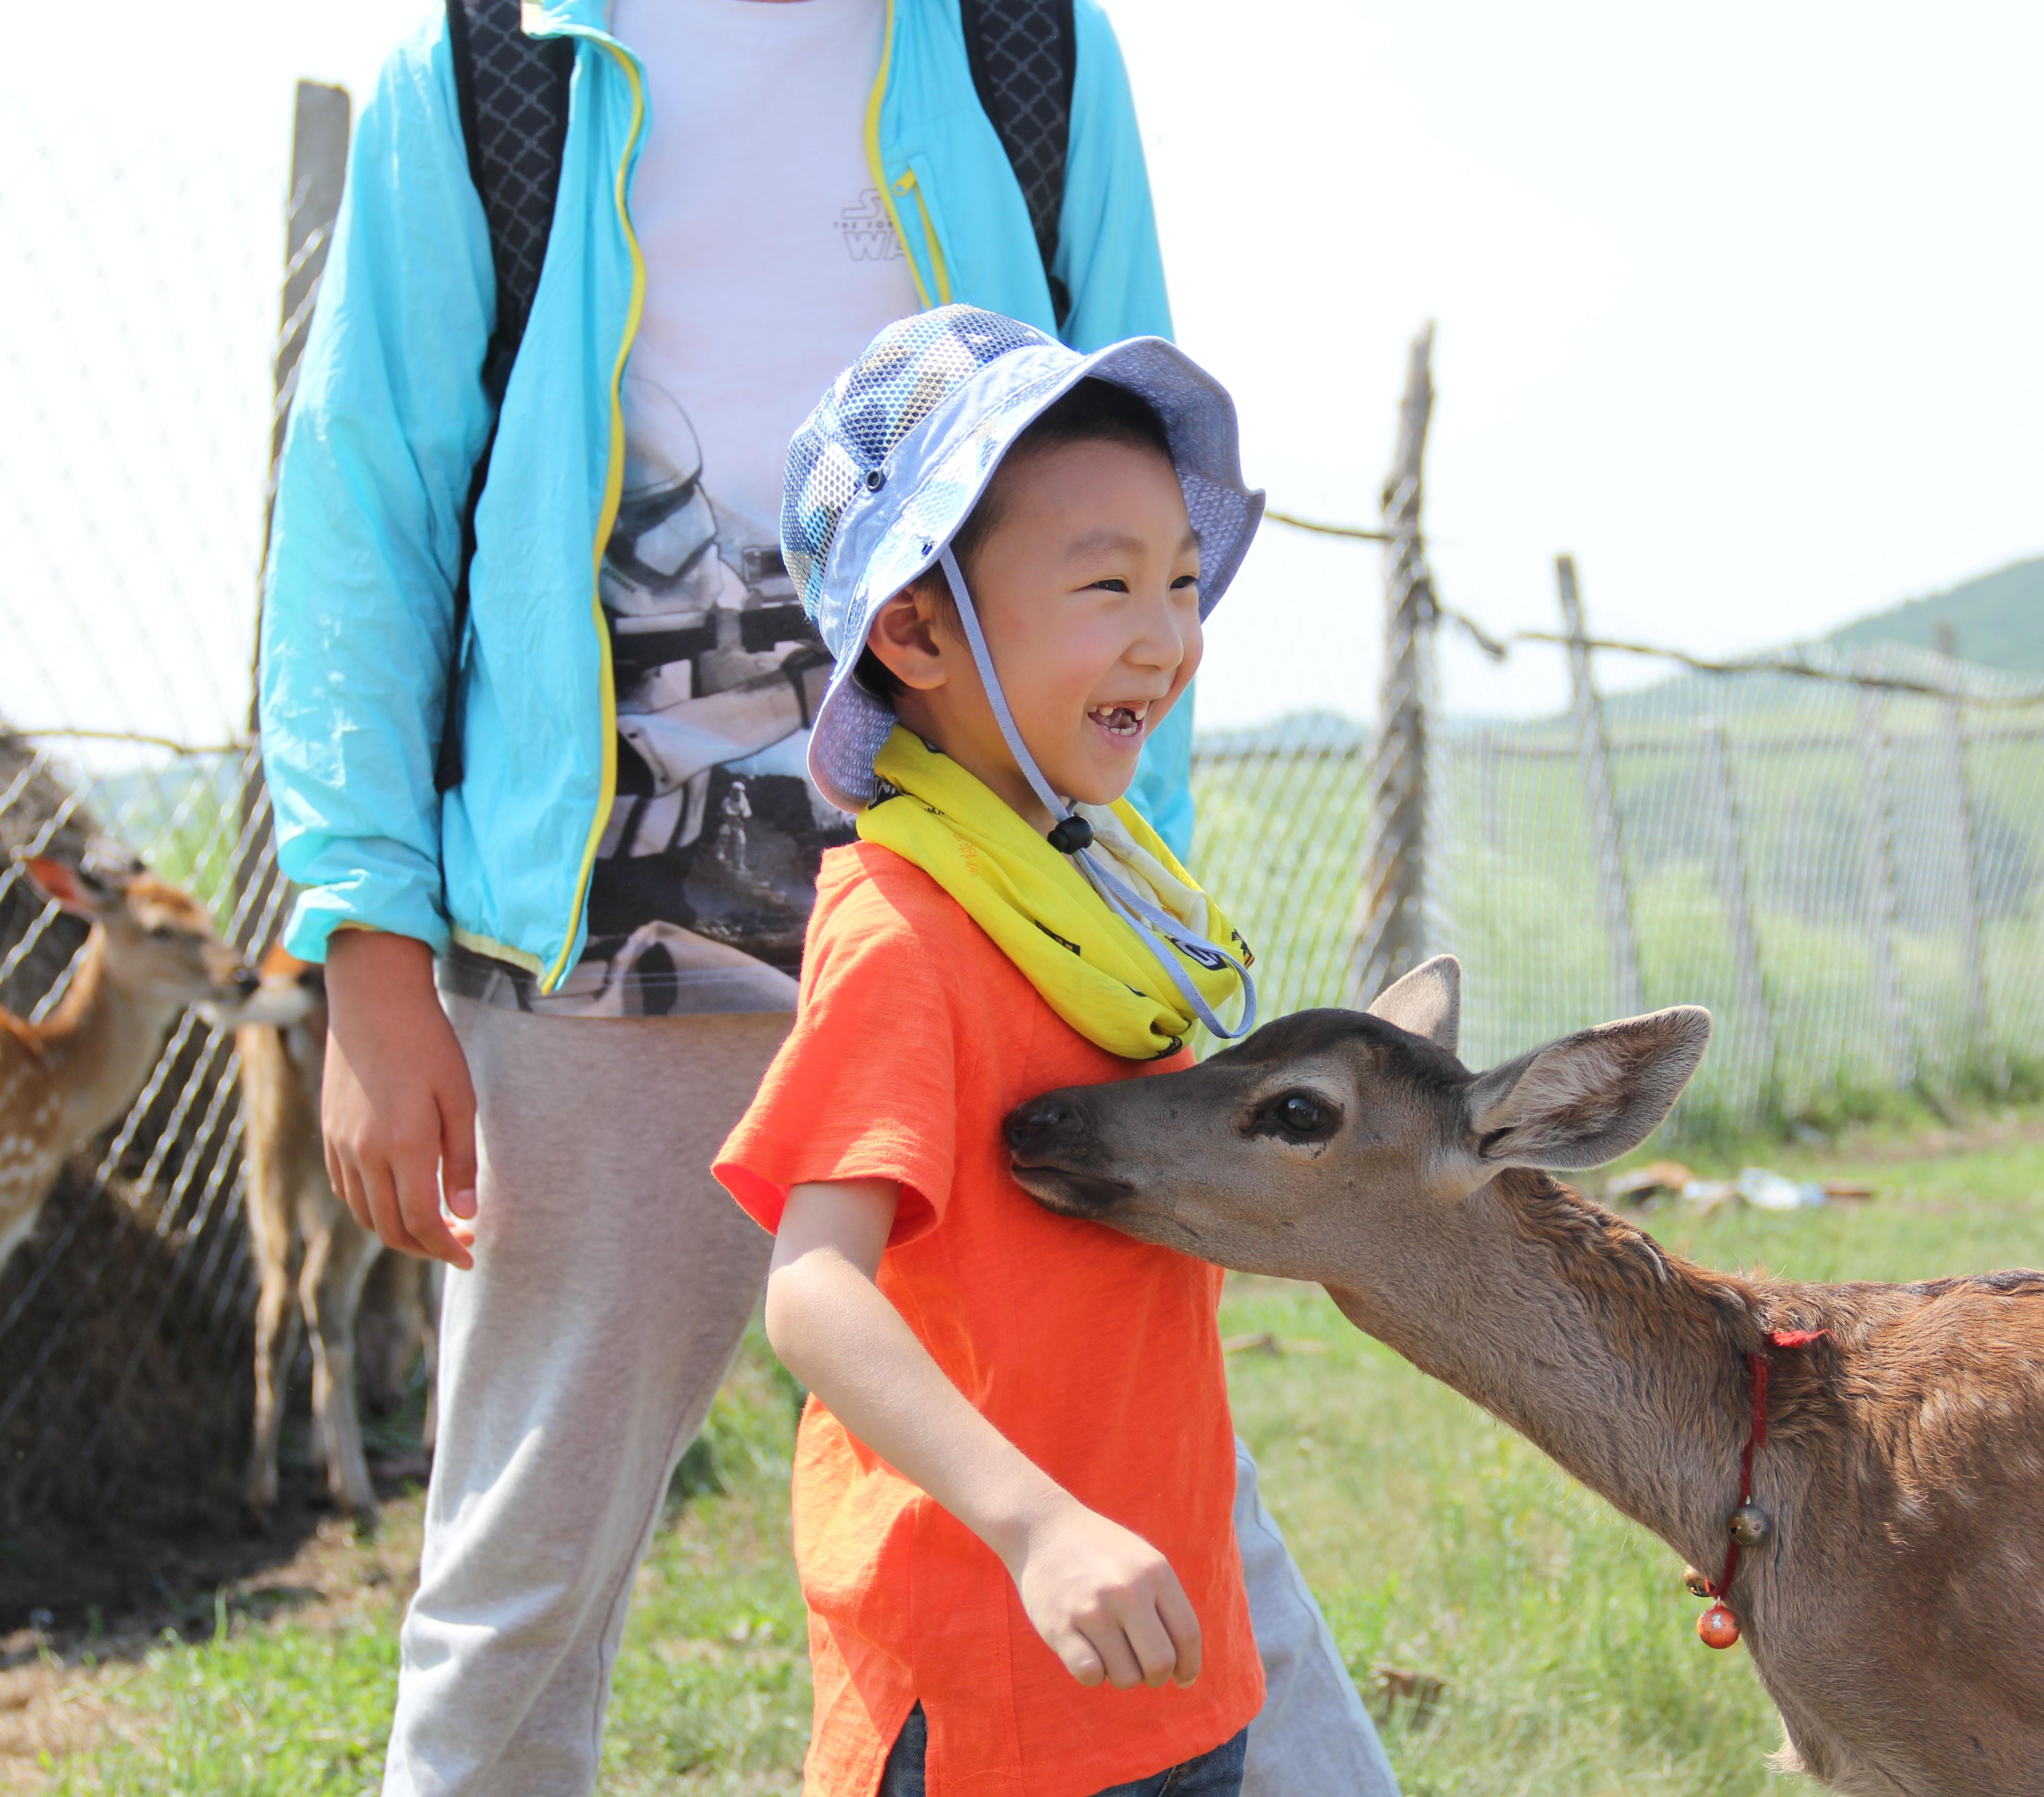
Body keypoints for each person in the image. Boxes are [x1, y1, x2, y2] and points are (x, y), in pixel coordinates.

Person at [258, 4, 1392, 1793]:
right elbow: (366, 500)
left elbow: (1132, 502)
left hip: (997, 915)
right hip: (596, 953)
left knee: (1155, 1476)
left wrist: (1127, 900)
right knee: (525, 1568)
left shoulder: (1028, 44)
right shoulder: (491, 63)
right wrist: (367, 943)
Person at [712, 307, 1266, 1795]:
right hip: (991, 1669)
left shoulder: (1101, 903)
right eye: (1107, 583)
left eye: (1182, 582)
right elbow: (813, 1290)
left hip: (1159, 1645)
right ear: (917, 631)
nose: (1168, 636)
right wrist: (1038, 1524)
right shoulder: (907, 926)